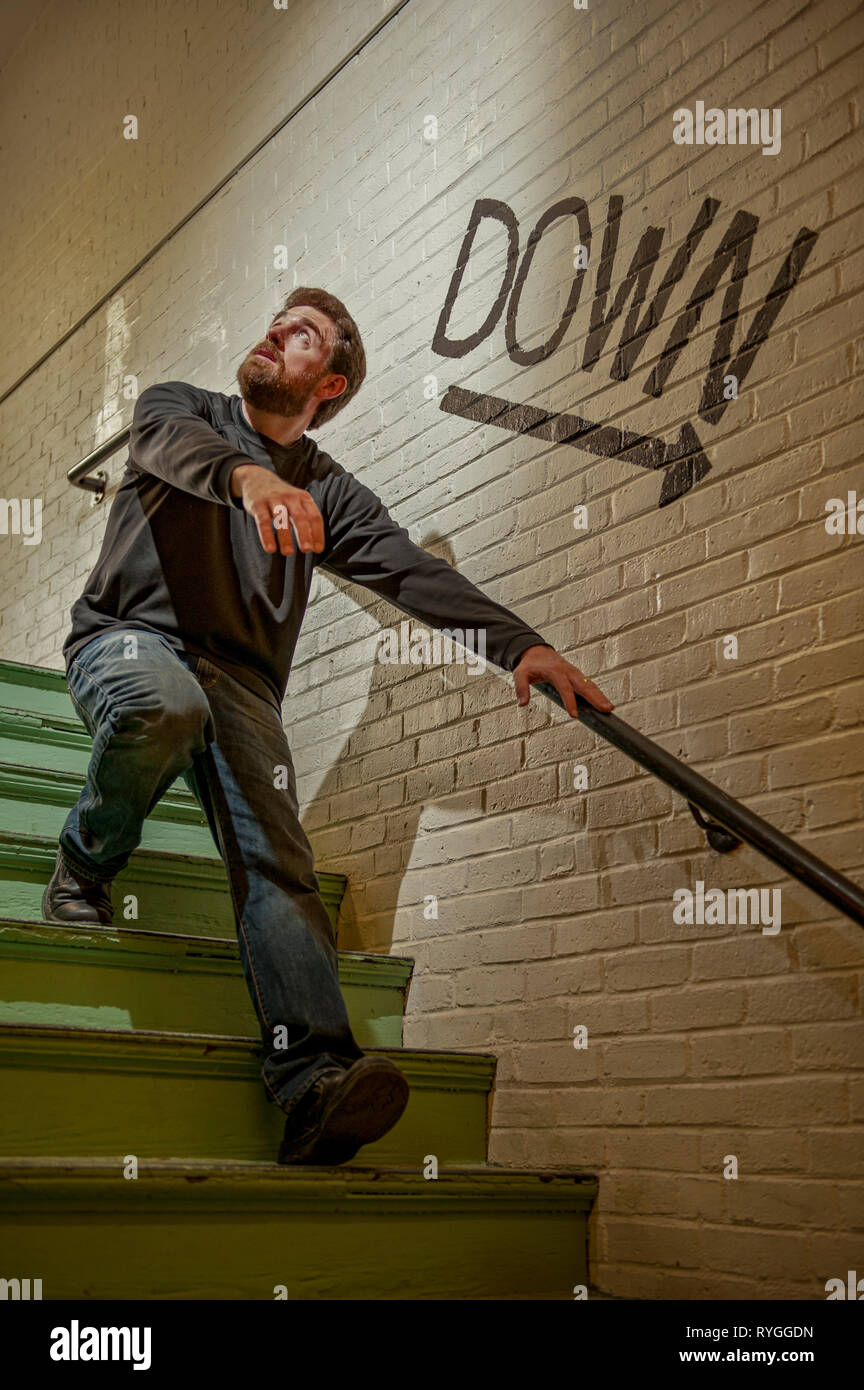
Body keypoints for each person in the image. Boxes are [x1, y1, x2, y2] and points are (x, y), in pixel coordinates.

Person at [44, 286, 615, 1166]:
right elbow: (177, 450)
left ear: (331, 386)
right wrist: (250, 476)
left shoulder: (332, 493)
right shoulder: (177, 408)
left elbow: (412, 575)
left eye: (301, 335)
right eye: (276, 320)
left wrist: (522, 648)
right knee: (165, 705)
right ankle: (84, 863)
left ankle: (313, 1079)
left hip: (241, 681)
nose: (275, 332)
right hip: (126, 638)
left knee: (282, 858)